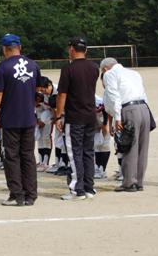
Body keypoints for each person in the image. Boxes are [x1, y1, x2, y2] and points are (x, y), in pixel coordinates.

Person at [0, 33, 41, 206]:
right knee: (28, 156)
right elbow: (37, 88)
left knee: (11, 156)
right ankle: (30, 195)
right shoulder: (33, 65)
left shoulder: (3, 67)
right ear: (20, 47)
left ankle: (16, 195)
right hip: (28, 117)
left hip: (10, 118)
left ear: (5, 49)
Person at [54, 37, 99, 201]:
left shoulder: (68, 68)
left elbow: (62, 94)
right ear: (85, 50)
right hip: (90, 115)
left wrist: (58, 115)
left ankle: (76, 189)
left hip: (75, 116)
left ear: (71, 49)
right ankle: (89, 187)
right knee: (88, 152)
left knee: (74, 153)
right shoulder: (94, 68)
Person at [100, 57, 150, 192]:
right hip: (144, 108)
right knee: (142, 147)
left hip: (128, 109)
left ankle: (129, 182)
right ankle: (139, 182)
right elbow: (144, 94)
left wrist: (117, 118)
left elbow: (114, 96)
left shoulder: (109, 74)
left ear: (105, 68)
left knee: (128, 145)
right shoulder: (134, 73)